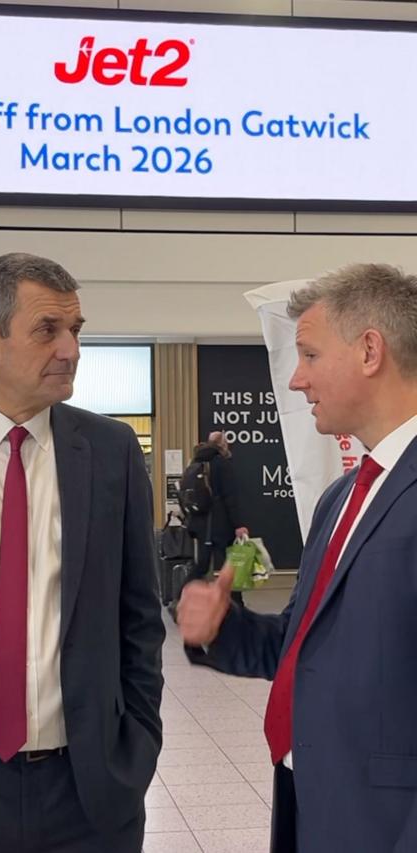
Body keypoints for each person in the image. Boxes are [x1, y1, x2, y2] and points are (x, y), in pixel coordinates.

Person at [178, 262, 417, 853]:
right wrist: (221, 629)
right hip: (311, 797)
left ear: (369, 351)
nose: (295, 381)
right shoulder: (342, 497)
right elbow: (300, 645)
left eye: (308, 356)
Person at [0, 252, 165, 853]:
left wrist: (136, 748)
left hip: (87, 791)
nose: (70, 349)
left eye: (76, 330)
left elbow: (139, 616)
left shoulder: (110, 452)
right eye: (48, 330)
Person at [183, 431, 248, 601]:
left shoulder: (196, 462)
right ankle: (237, 604)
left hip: (201, 522)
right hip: (219, 524)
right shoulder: (221, 463)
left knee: (202, 565)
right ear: (222, 444)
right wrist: (238, 524)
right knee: (231, 564)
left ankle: (181, 596)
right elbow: (230, 496)